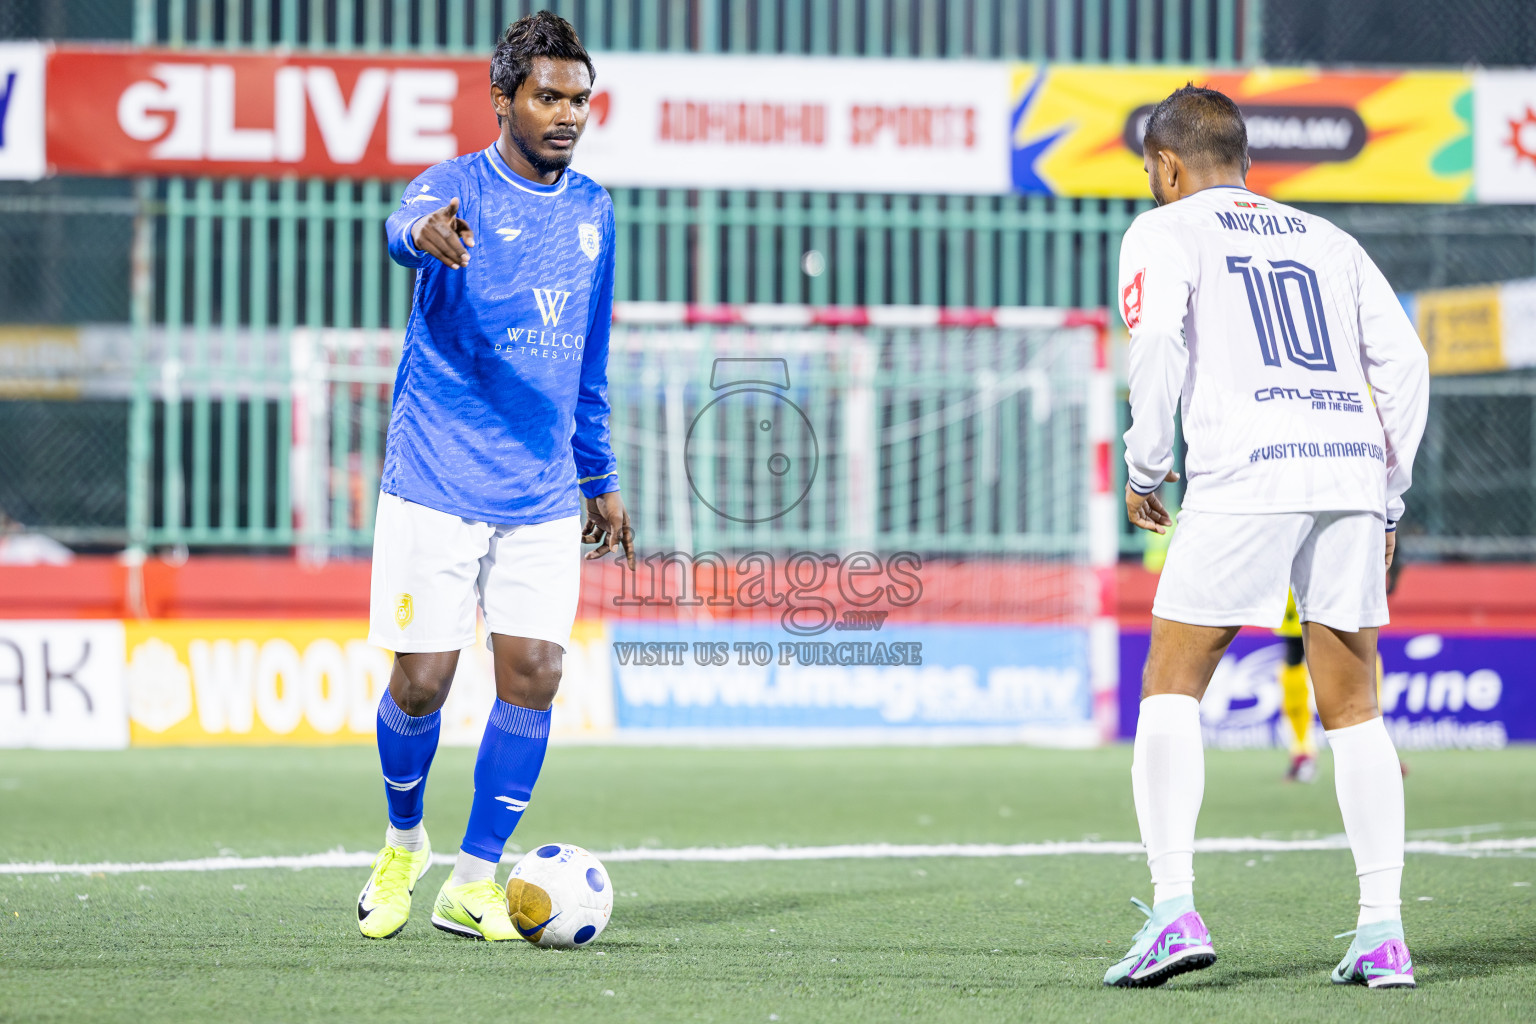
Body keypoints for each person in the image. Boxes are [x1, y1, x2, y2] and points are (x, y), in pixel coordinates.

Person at [1107, 84, 1429, 988]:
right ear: (1244, 159)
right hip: (1349, 468)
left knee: (1172, 680)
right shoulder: (1331, 239)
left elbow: (1160, 342)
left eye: (1150, 172)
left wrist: (1144, 464)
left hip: (1248, 469)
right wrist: (1390, 493)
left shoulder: (1163, 232)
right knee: (1353, 701)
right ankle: (1383, 930)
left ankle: (1174, 909)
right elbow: (1405, 365)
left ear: (1167, 166)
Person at [354, 11, 634, 942]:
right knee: (423, 683)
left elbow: (589, 360)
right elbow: (402, 225)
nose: (566, 114)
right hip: (435, 477)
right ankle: (403, 845)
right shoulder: (454, 188)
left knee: (537, 673)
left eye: (579, 99)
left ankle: (472, 878)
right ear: (505, 99)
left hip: (543, 492)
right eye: (548, 97)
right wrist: (420, 232)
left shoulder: (595, 209)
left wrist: (598, 472)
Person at [1276, 590, 1318, 783]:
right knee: (1292, 679)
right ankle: (1302, 751)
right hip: (1295, 611)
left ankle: (1303, 752)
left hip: (1317, 606)